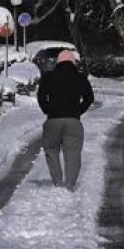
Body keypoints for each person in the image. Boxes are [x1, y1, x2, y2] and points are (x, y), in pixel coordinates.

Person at [36, 50, 94, 191]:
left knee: (51, 150)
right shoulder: (80, 78)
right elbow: (89, 97)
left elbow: (41, 96)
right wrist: (78, 111)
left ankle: (57, 181)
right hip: (73, 121)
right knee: (73, 152)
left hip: (53, 120)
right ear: (73, 62)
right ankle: (70, 184)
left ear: (58, 62)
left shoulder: (49, 77)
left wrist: (47, 110)